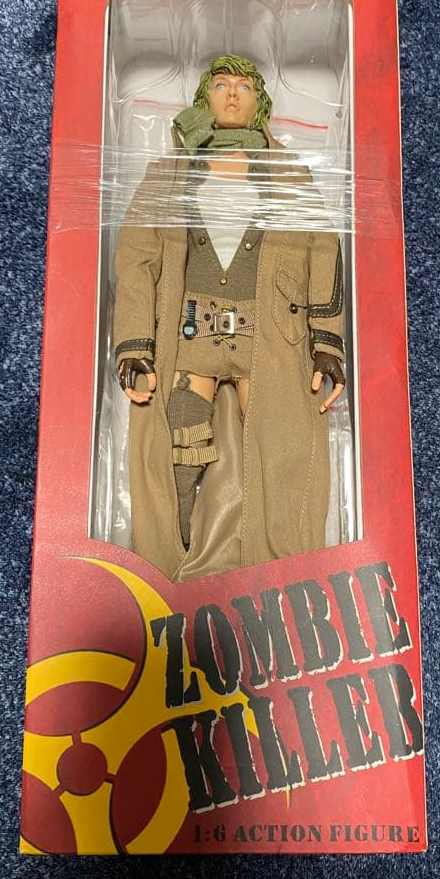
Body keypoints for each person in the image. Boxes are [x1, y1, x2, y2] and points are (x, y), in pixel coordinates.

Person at [113, 55, 346, 580]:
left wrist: (326, 343)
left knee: (282, 442)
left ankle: (283, 573)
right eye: (221, 85)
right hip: (189, 332)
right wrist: (134, 343)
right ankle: (168, 571)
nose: (233, 94)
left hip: (271, 333)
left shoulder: (289, 174)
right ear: (205, 98)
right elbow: (137, 258)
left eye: (243, 86)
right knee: (177, 441)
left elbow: (323, 251)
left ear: (259, 100)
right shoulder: (169, 173)